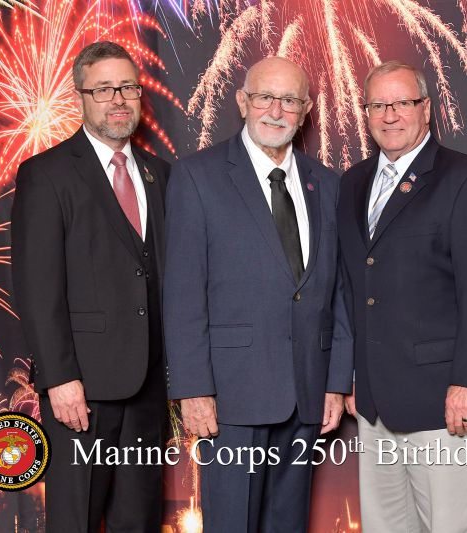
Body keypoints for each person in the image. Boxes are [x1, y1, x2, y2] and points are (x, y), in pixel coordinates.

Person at [163, 56, 353, 533]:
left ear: (306, 110)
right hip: (229, 398)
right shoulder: (197, 177)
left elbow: (339, 294)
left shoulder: (327, 185)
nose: (276, 110)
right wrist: (193, 391)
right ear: (242, 102)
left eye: (289, 100)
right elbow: (183, 294)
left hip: (306, 393)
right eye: (265, 97)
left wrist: (335, 380)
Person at [337, 60, 467, 533]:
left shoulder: (466, 180)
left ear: (427, 110)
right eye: (378, 104)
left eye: (403, 103)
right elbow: (351, 288)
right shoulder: (352, 183)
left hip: (446, 402)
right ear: (366, 112)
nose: (390, 115)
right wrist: (349, 375)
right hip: (373, 405)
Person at [10, 41, 170, 531]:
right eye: (104, 89)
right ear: (81, 95)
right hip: (81, 389)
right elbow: (37, 289)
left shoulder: (160, 174)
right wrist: (59, 380)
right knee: (76, 518)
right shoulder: (47, 174)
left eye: (128, 87)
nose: (118, 99)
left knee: (138, 520)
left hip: (148, 388)